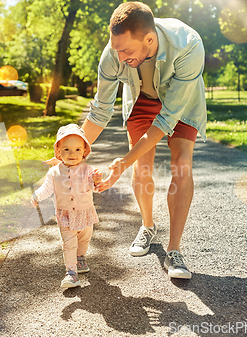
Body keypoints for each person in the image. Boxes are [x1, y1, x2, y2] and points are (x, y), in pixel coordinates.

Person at [85, 1, 207, 279]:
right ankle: (148, 226)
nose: (120, 55)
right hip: (142, 98)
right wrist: (69, 154)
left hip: (181, 102)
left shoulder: (188, 44)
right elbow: (100, 110)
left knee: (182, 162)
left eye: (126, 50)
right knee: (142, 166)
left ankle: (174, 250)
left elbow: (166, 120)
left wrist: (122, 162)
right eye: (116, 49)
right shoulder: (114, 53)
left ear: (149, 39)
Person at [32, 124, 102, 288]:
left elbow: (94, 187)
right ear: (58, 151)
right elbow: (47, 188)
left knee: (84, 238)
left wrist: (97, 180)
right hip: (65, 215)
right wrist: (37, 195)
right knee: (69, 243)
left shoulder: (87, 170)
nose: (73, 154)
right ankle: (71, 274)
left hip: (85, 212)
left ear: (85, 151)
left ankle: (80, 258)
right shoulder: (54, 172)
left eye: (78, 149)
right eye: (67, 149)